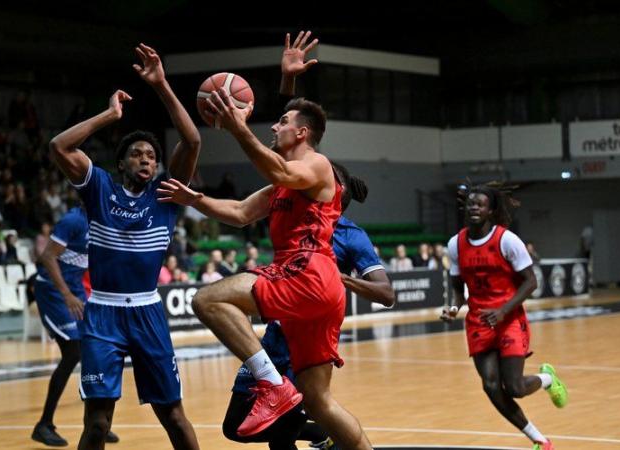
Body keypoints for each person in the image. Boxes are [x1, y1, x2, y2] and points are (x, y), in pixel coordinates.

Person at [157, 30, 372, 449]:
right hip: (318, 289)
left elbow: (280, 168)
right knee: (320, 401)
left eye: (283, 124)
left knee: (207, 299)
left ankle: (272, 384)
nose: (275, 126)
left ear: (303, 134)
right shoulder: (283, 185)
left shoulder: (316, 165)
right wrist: (193, 198)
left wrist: (238, 128)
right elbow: (239, 213)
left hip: (306, 273)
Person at [49, 43, 200, 450]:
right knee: (97, 425)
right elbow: (59, 147)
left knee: (173, 416)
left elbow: (191, 140)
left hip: (148, 310)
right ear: (122, 163)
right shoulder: (99, 188)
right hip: (103, 314)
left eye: (152, 155)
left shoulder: (166, 194)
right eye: (137, 154)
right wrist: (109, 115)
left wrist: (162, 85)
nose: (146, 160)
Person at [222, 160, 394, 450]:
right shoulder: (295, 221)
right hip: (274, 337)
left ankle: (324, 430)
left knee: (281, 437)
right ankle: (320, 433)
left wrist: (337, 278)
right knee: (235, 427)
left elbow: (386, 294)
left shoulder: (351, 236)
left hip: (305, 342)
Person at [440, 184, 568, 450]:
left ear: (491, 210)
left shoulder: (507, 240)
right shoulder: (456, 244)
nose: (474, 207)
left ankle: (547, 379)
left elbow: (530, 282)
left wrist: (502, 311)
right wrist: (453, 308)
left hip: (508, 318)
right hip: (478, 321)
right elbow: (456, 287)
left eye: (480, 204)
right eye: (471, 203)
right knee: (490, 386)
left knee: (515, 387)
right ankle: (540, 440)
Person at [31, 206, 119, 447]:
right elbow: (47, 256)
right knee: (73, 354)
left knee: (93, 350)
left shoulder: (103, 218)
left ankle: (93, 421)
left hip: (76, 289)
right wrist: (66, 294)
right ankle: (44, 425)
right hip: (53, 290)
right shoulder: (73, 220)